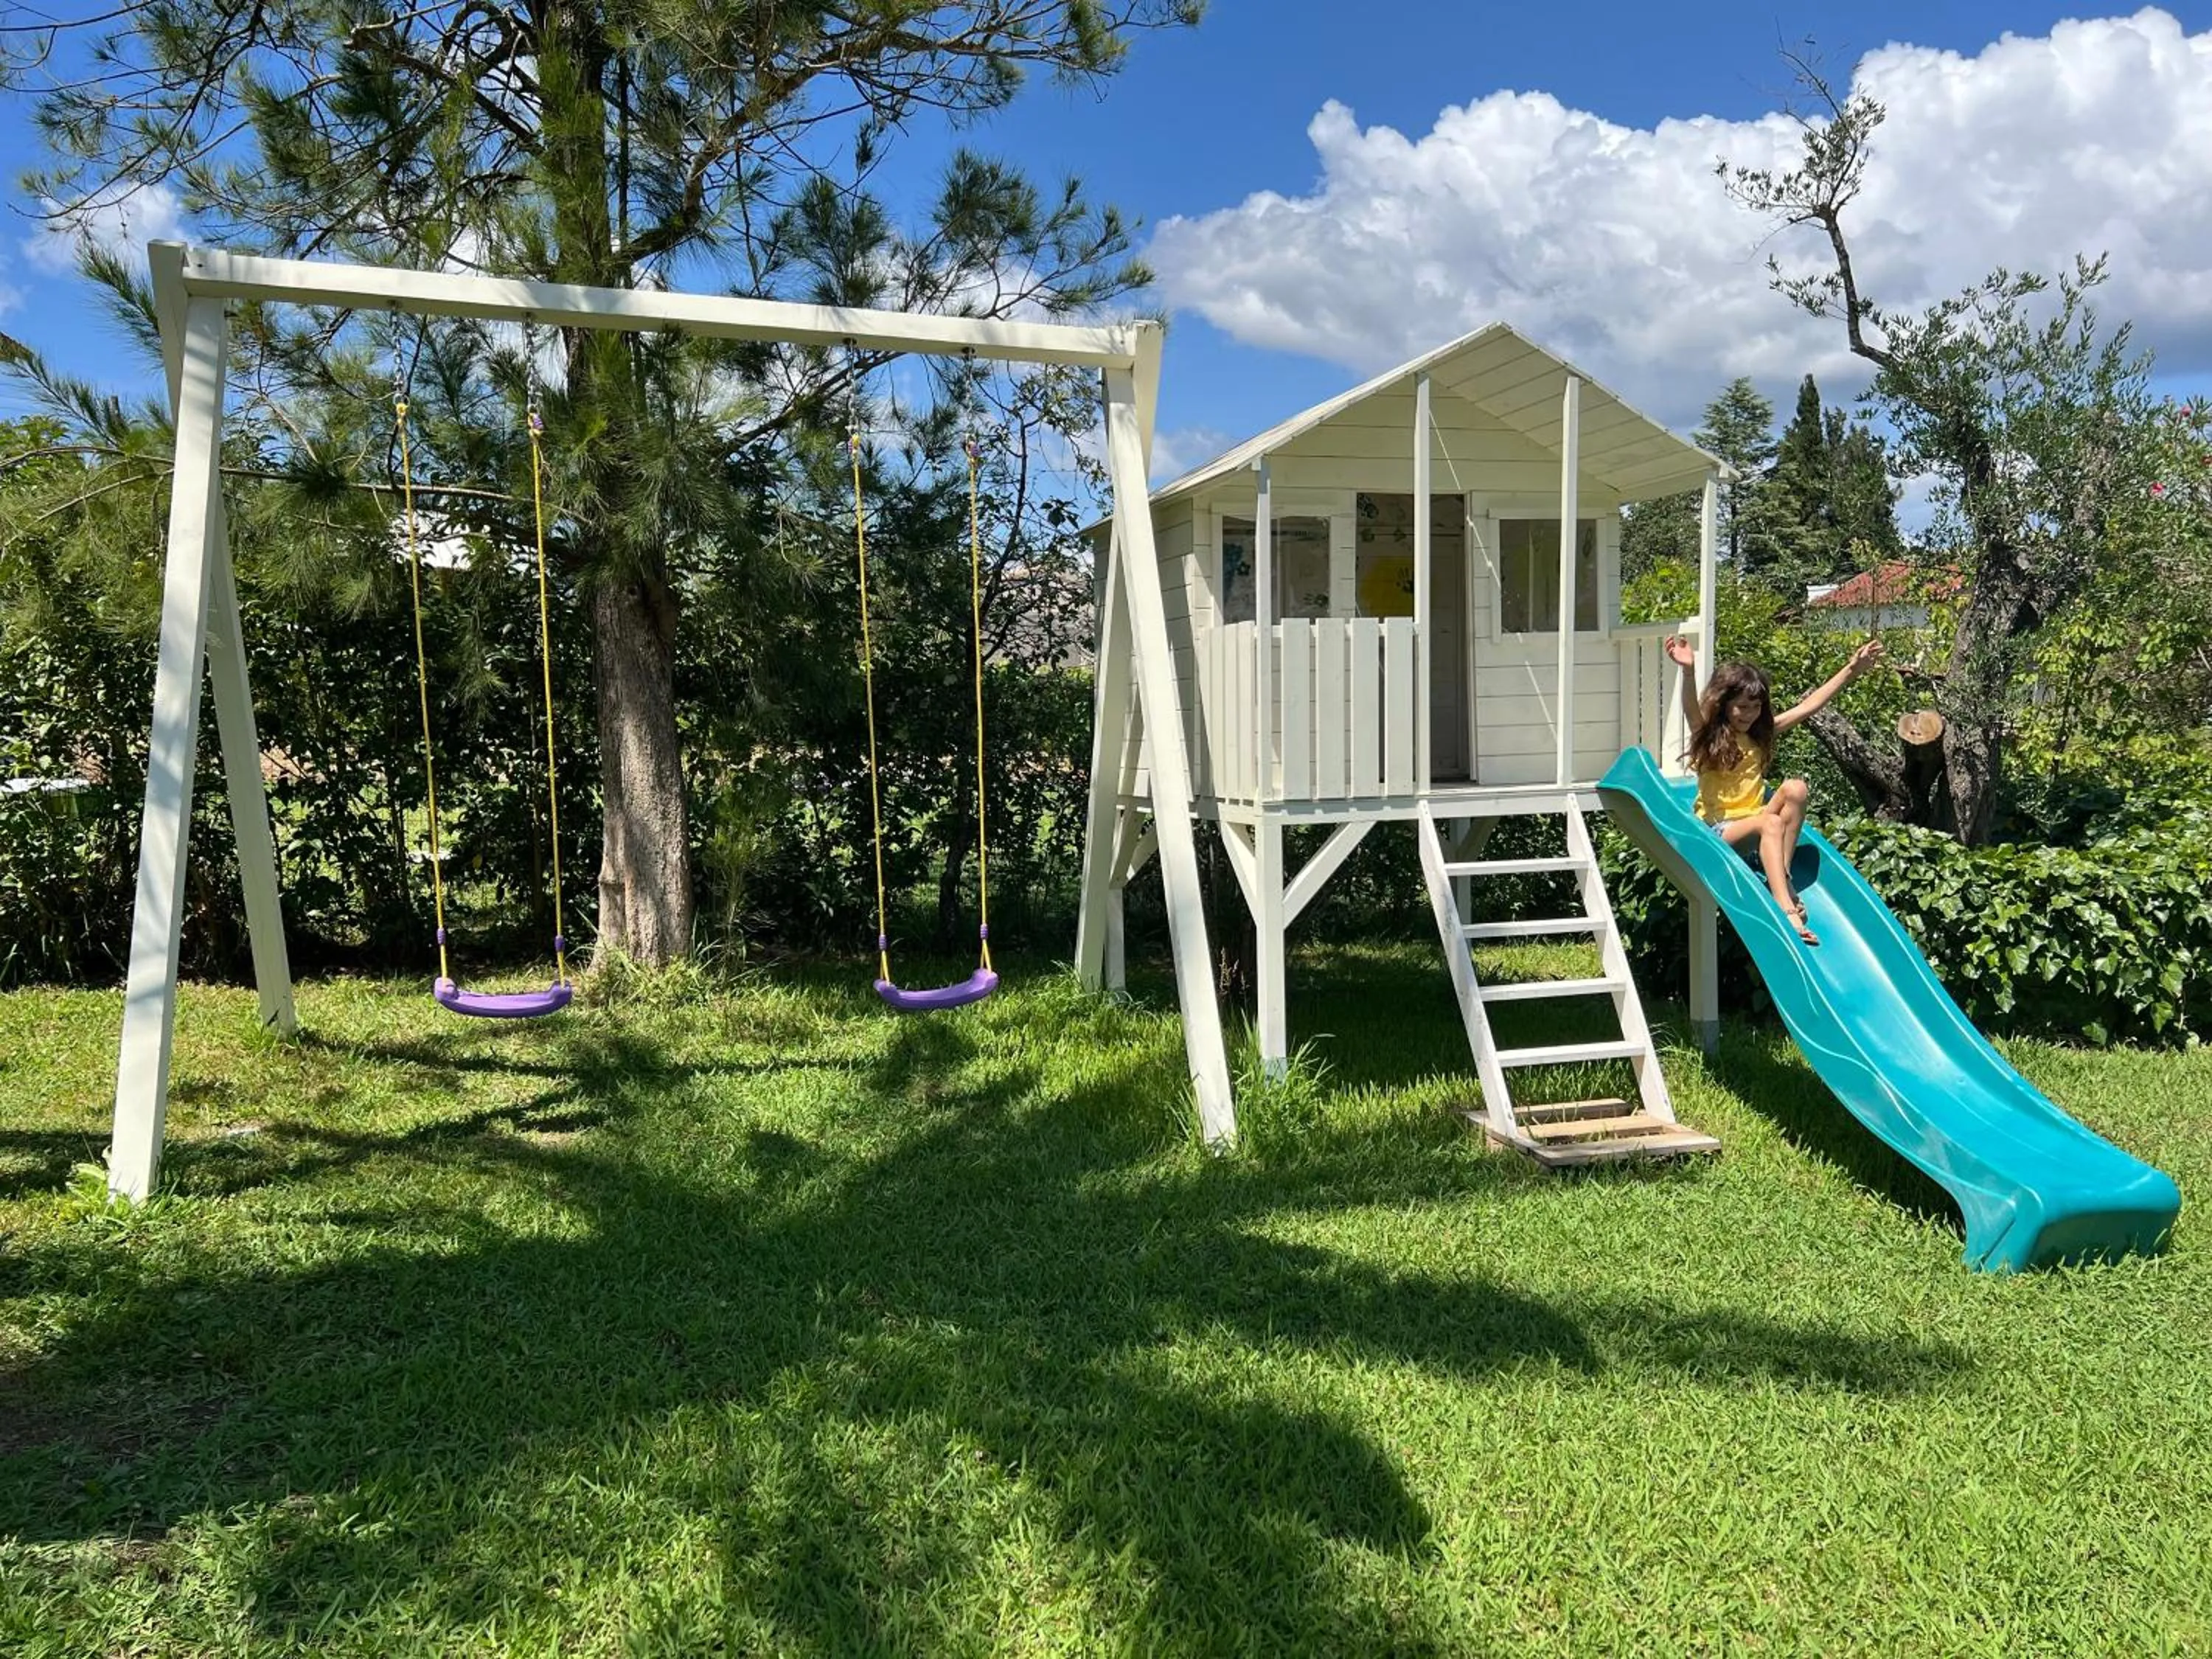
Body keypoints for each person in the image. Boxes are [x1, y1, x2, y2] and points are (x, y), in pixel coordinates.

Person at [1663, 635, 1885, 945]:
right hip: (1720, 834)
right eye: (1741, 707)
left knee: (1795, 788)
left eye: (1755, 707)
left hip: (1760, 827)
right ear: (1725, 706)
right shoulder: (1709, 739)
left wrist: (1852, 669)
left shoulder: (1759, 735)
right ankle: (1785, 907)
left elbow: (1809, 707)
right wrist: (1687, 672)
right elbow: (1691, 711)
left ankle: (1782, 876)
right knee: (1771, 822)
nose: (1749, 714)